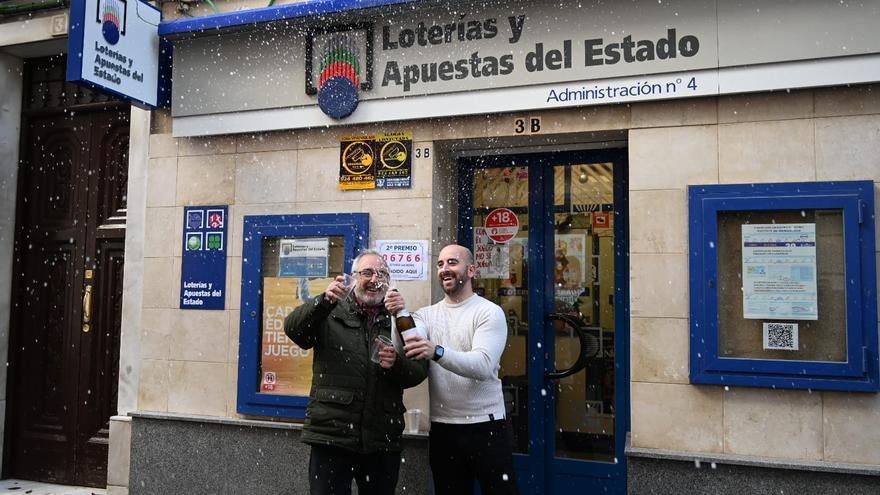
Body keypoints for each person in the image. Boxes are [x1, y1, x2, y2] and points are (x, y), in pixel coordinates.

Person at [284, 250, 428, 495]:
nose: (374, 279)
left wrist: (396, 362)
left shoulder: (401, 318)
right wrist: (324, 300)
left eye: (382, 274)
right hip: (332, 436)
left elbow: (418, 371)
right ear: (353, 277)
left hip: (381, 439)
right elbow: (294, 330)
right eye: (367, 273)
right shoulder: (330, 310)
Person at [387, 244, 519, 495]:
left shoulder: (488, 312)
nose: (444, 269)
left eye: (452, 263)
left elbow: (482, 365)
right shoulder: (426, 314)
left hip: (486, 426)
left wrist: (436, 351)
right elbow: (408, 347)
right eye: (440, 264)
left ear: (471, 270)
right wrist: (398, 314)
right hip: (444, 428)